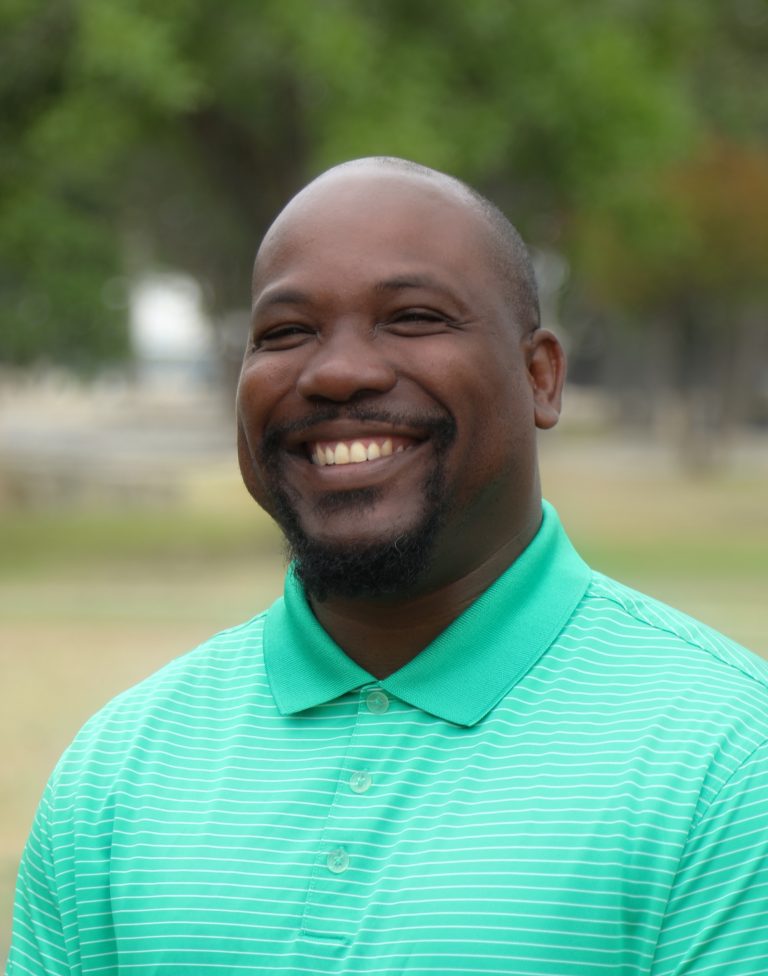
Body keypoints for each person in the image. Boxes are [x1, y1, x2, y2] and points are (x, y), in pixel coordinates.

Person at [8, 158, 768, 976]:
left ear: (541, 376)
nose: (338, 372)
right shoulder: (117, 774)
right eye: (286, 331)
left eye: (412, 317)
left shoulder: (728, 764)